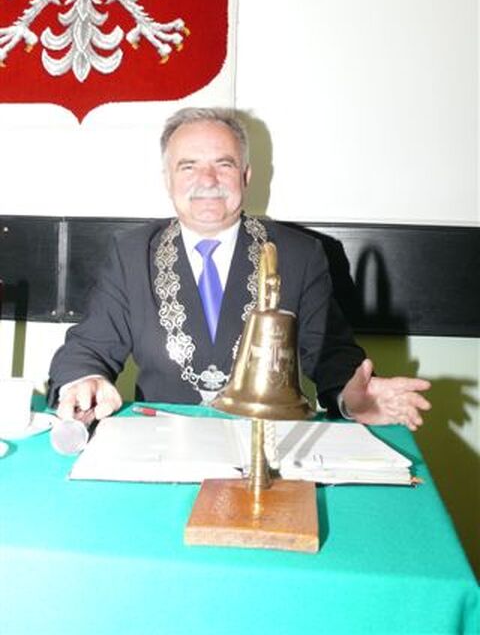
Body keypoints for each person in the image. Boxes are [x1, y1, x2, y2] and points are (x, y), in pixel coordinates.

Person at [48, 107, 431, 430]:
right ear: (167, 180)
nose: (207, 180)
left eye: (224, 164)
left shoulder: (300, 254)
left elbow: (331, 353)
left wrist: (353, 396)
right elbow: (88, 346)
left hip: (268, 447)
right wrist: (85, 381)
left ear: (246, 176)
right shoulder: (132, 253)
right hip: (162, 444)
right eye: (188, 166)